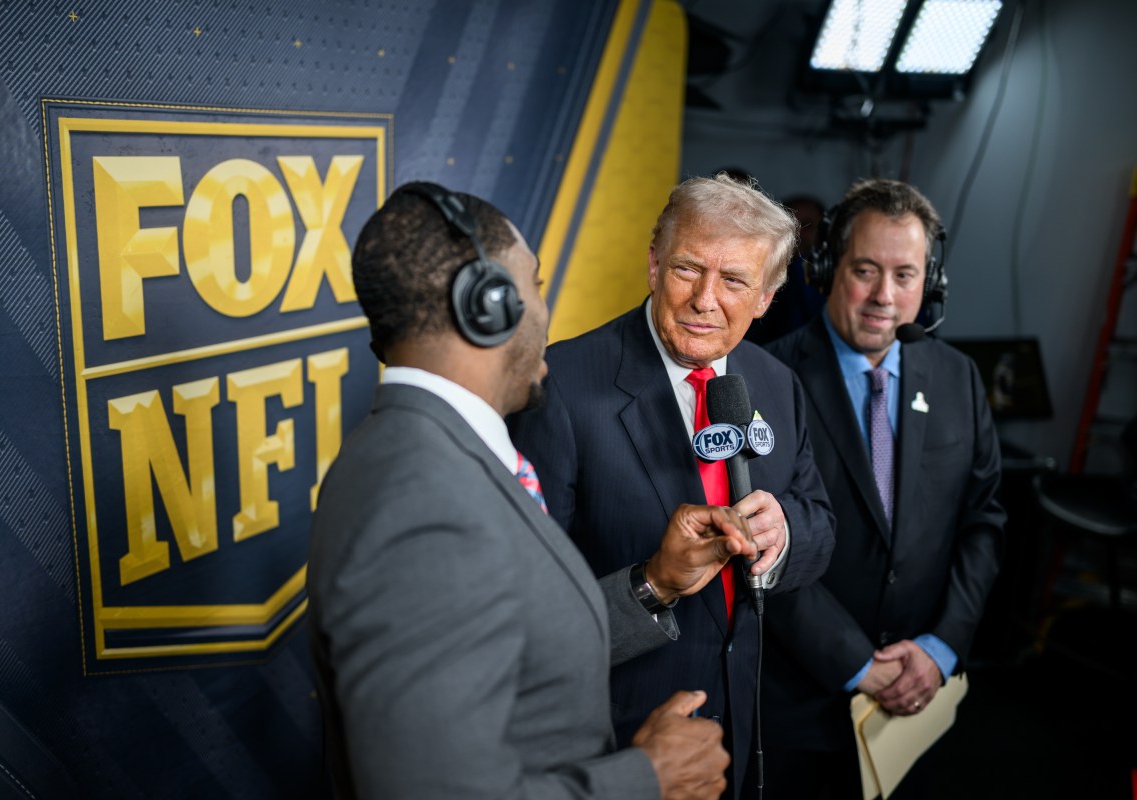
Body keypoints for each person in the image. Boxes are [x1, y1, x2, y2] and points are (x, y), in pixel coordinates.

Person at [307, 181, 763, 799]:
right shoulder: (417, 499)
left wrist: (654, 582)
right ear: (488, 306)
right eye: (536, 284)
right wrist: (642, 779)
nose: (543, 310)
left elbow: (518, 646)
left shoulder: (440, 452)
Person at [509, 173, 836, 796]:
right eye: (689, 268)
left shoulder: (775, 385)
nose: (704, 300)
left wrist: (784, 534)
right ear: (655, 264)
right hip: (615, 745)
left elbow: (820, 525)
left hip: (737, 736)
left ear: (767, 297)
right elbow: (527, 613)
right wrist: (652, 582)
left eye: (735, 280)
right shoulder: (562, 387)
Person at [759, 178, 1006, 799]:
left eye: (905, 274)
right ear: (826, 269)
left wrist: (943, 645)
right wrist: (857, 663)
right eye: (865, 269)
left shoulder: (957, 378)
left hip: (919, 703)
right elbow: (760, 548)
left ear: (931, 283)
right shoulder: (767, 378)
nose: (884, 297)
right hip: (797, 708)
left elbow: (984, 521)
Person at [745, 194, 827, 345]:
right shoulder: (754, 271)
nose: (797, 234)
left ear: (822, 232)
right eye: (790, 226)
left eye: (807, 226)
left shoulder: (829, 279)